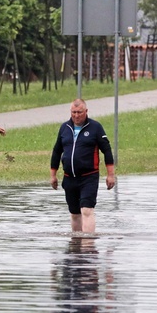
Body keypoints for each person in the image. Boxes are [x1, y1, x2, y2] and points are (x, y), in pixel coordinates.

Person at [50, 98, 116, 233]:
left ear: (86, 111)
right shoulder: (64, 128)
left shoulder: (95, 127)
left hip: (88, 177)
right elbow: (57, 151)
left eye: (79, 112)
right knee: (74, 213)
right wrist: (53, 175)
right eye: (73, 112)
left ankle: (88, 244)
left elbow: (107, 150)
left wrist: (111, 175)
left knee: (86, 210)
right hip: (69, 178)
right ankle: (76, 245)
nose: (76, 115)